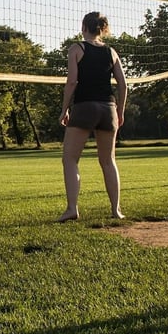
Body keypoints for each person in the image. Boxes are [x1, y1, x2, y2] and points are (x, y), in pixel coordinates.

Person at [58, 12, 127, 222]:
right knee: (108, 161)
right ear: (102, 28)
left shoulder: (76, 48)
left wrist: (64, 110)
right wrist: (121, 111)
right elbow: (123, 85)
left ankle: (72, 209)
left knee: (70, 158)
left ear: (84, 27)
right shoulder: (111, 51)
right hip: (109, 108)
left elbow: (72, 82)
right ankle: (116, 210)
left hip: (85, 106)